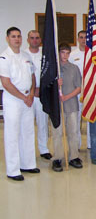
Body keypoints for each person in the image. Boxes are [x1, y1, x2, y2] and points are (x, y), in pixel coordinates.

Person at [0, 27, 40, 181]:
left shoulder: (26, 56)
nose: (17, 39)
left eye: (19, 36)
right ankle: (13, 169)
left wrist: (30, 94)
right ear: (7, 39)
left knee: (28, 131)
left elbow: (32, 76)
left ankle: (28, 164)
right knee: (12, 134)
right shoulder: (4, 58)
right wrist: (24, 98)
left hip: (27, 98)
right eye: (13, 36)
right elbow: (6, 83)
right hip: (13, 100)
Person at [52, 42, 82, 172]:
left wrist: (67, 97)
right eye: (62, 52)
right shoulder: (54, 68)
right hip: (57, 107)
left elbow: (79, 88)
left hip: (71, 104)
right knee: (57, 133)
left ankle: (74, 156)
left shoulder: (74, 68)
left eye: (67, 53)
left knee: (73, 132)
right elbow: (46, 86)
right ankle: (57, 158)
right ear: (58, 53)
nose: (65, 55)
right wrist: (55, 83)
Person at [25, 30, 52, 159]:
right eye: (32, 38)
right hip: (28, 95)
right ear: (28, 40)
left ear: (40, 40)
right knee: (27, 124)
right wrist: (32, 90)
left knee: (43, 123)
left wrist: (41, 89)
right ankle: (28, 151)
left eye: (37, 38)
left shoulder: (45, 54)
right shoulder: (23, 55)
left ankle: (44, 149)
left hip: (42, 94)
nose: (34, 40)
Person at [69, 30, 88, 148]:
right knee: (75, 120)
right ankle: (77, 145)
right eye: (81, 37)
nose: (83, 40)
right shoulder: (72, 55)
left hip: (90, 91)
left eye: (85, 37)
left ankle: (92, 144)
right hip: (76, 91)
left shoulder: (93, 54)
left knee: (91, 118)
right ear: (77, 39)